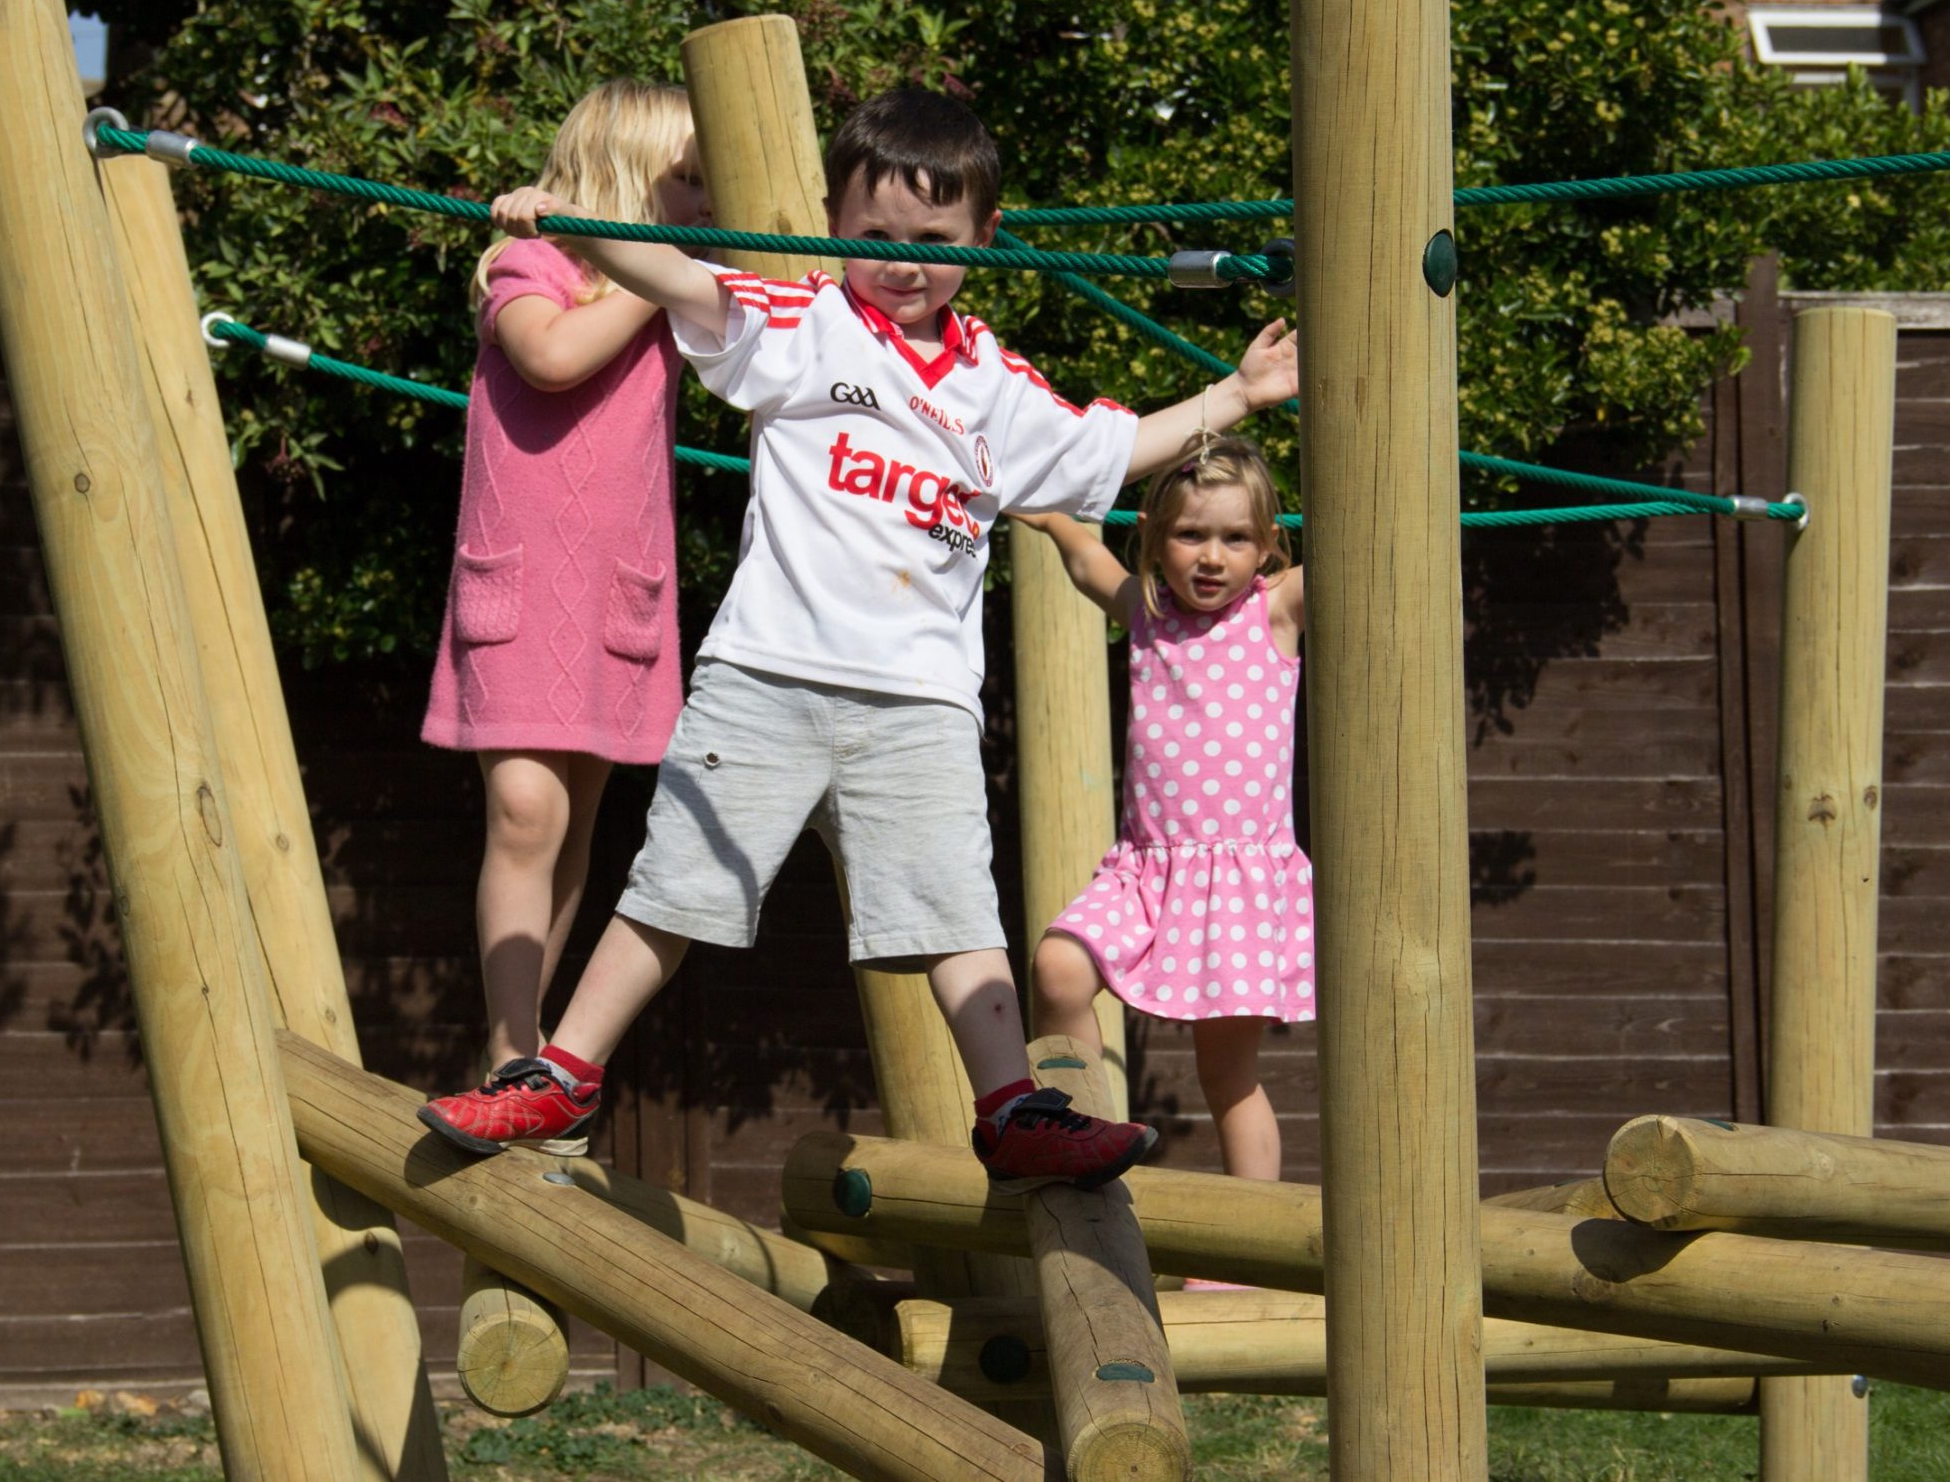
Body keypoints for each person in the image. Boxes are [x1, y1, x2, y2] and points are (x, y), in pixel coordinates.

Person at [420, 86, 1297, 1191]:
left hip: (920, 697)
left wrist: (1236, 393)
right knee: (671, 891)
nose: (904, 262)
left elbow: (1107, 448)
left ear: (986, 238)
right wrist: (575, 225)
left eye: (935, 242)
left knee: (954, 912)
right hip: (765, 675)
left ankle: (1011, 1106)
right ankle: (561, 1072)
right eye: (874, 237)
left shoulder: (997, 386)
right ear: (832, 224)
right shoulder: (803, 325)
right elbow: (684, 276)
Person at [420, 81, 710, 1154]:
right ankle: (509, 1050)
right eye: (685, 180)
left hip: (612, 598)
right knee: (525, 816)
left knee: (578, 821)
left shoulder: (679, 293)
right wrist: (649, 266)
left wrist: (672, 268)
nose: (701, 198)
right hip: (522, 589)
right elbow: (551, 356)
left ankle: (531, 1055)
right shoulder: (530, 263)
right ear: (626, 179)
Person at [1011, 433, 1311, 1211]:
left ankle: (1253, 1243)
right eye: (1190, 534)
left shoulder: (1274, 611)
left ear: (1268, 548)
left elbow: (1356, 548)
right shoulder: (1146, 613)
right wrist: (1052, 516)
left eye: (1235, 537)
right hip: (1145, 869)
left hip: (1239, 882)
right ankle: (1080, 1140)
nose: (1212, 556)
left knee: (1227, 1074)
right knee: (1057, 967)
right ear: (1154, 538)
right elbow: (1088, 563)